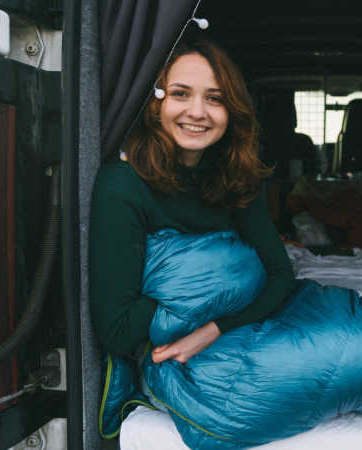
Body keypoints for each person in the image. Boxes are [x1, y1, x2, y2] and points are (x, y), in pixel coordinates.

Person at [89, 39, 296, 365]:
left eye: (214, 98)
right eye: (180, 94)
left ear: (232, 112)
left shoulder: (236, 177)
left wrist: (214, 328)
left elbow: (282, 276)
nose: (197, 112)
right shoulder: (122, 185)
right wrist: (216, 275)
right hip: (160, 359)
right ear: (156, 102)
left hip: (220, 339)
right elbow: (119, 332)